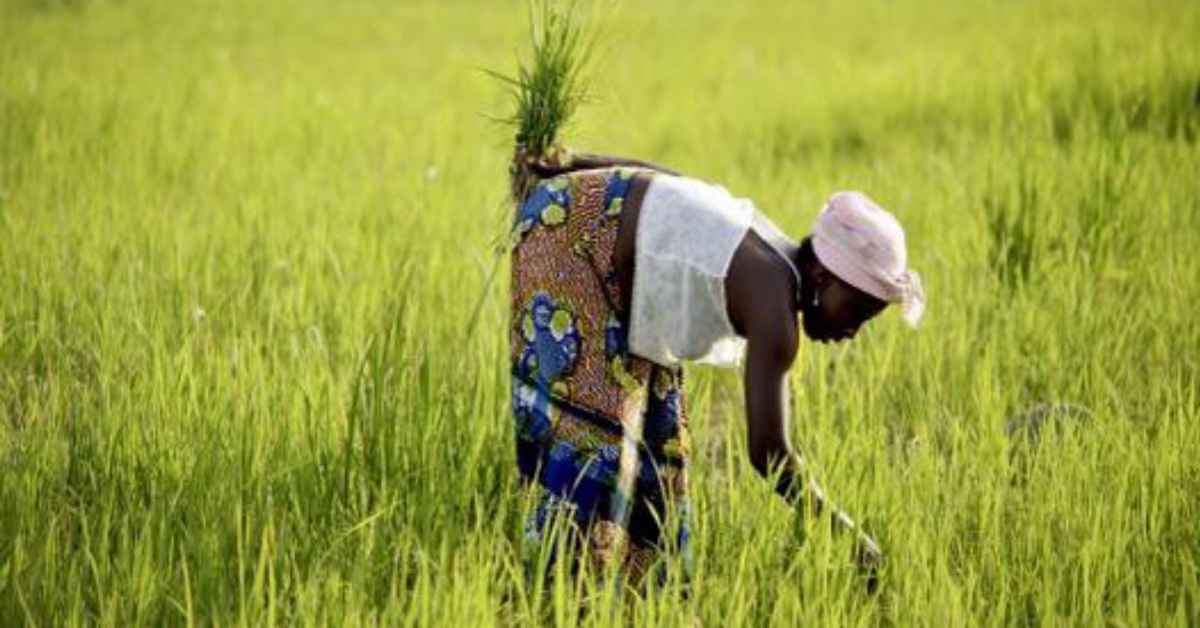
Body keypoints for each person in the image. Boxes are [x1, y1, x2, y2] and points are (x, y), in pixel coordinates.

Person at [507, 147, 924, 589]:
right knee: (593, 438)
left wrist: (575, 162)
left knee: (658, 433)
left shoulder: (767, 246)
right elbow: (769, 454)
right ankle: (563, 593)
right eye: (857, 312)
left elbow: (672, 183)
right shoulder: (774, 309)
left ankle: (643, 595)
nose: (853, 331)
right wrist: (848, 536)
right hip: (570, 239)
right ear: (823, 277)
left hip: (585, 223)